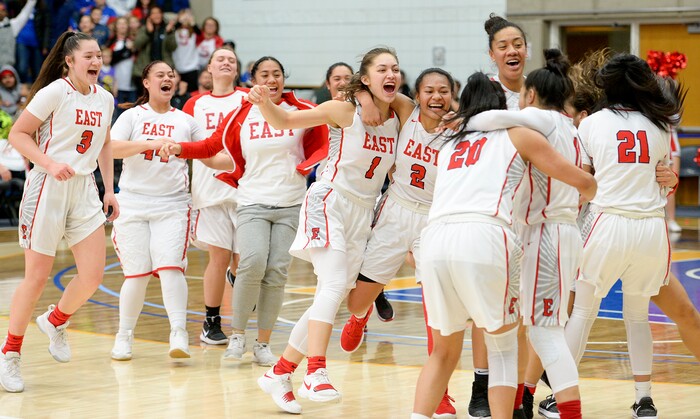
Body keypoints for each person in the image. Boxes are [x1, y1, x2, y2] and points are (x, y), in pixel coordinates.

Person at [410, 71, 596, 419]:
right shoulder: (519, 133)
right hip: (487, 233)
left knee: (443, 351)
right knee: (503, 348)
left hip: (434, 237)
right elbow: (579, 178)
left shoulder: (448, 143)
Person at [245, 47, 401, 414]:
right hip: (330, 199)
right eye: (382, 69)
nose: (391, 73)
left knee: (329, 296)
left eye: (395, 68)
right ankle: (315, 371)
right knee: (331, 286)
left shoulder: (399, 116)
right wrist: (262, 102)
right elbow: (284, 121)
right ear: (365, 78)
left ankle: (280, 373)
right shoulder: (343, 110)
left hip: (363, 211)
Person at [161, 56, 328, 370]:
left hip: (290, 202)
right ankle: (237, 335)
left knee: (276, 271)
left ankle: (263, 343)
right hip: (251, 200)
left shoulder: (301, 111)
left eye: (277, 74)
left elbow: (327, 137)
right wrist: (180, 148)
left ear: (283, 79)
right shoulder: (242, 113)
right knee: (250, 263)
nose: (272, 79)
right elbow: (211, 146)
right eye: (264, 74)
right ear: (253, 81)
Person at [562, 53, 684, 419]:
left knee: (582, 312)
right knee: (638, 316)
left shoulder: (591, 124)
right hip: (651, 229)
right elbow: (665, 179)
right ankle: (644, 398)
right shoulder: (660, 125)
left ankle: (562, 398)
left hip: (608, 224)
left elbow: (582, 184)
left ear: (606, 85)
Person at [467, 49, 584, 419]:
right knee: (536, 328)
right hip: (561, 230)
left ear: (530, 95)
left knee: (545, 334)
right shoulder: (570, 126)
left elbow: (483, 119)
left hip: (545, 233)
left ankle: (570, 413)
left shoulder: (539, 119)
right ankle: (519, 407)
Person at [0, 31, 118, 393]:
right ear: (69, 61)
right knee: (36, 278)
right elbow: (18, 135)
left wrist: (109, 189)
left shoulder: (106, 98)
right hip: (47, 187)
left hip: (83, 188)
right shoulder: (54, 92)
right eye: (88, 56)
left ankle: (55, 320)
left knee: (93, 275)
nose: (96, 62)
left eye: (99, 55)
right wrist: (49, 163)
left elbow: (106, 143)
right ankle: (10, 354)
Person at [338, 67, 457, 417]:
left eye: (444, 91)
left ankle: (442, 394)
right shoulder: (407, 112)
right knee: (356, 299)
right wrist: (362, 97)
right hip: (396, 210)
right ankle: (360, 316)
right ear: (417, 95)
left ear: (453, 94)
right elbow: (363, 87)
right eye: (429, 90)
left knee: (435, 308)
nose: (437, 97)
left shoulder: (461, 128)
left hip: (434, 220)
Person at [109, 60, 205, 361]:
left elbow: (206, 151)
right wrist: (148, 144)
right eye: (160, 75)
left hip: (172, 204)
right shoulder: (132, 116)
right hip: (134, 202)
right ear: (147, 83)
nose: (167, 79)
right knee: (135, 275)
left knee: (170, 267)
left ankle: (179, 332)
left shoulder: (186, 121)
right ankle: (124, 335)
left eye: (171, 75)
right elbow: (111, 148)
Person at [465, 13, 530, 419]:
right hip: (491, 215)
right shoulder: (483, 98)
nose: (512, 50)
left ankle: (520, 392)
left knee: (523, 315)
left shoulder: (541, 94)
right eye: (504, 45)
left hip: (533, 215)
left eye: (518, 43)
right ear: (492, 54)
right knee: (483, 310)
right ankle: (480, 382)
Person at [181, 47, 247, 346]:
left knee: (244, 259)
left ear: (236, 70)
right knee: (218, 257)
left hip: (244, 187)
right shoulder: (195, 104)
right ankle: (211, 321)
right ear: (209, 67)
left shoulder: (247, 99)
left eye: (231, 60)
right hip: (209, 191)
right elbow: (182, 146)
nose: (225, 63)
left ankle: (241, 291)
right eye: (220, 59)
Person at [0, 0, 37, 68]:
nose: (1, 12)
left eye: (3, 9)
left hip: (9, 67)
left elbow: (25, 13)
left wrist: (32, 1)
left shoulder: (12, 25)